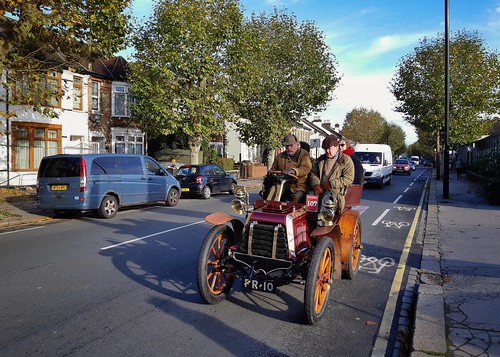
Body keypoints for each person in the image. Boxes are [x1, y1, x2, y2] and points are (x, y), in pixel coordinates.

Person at [310, 135, 355, 213]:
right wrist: (316, 185)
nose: (327, 151)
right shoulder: (321, 160)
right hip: (320, 188)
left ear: (336, 147)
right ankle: (309, 219)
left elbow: (349, 179)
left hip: (336, 191)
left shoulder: (346, 160)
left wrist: (330, 184)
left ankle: (322, 220)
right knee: (309, 195)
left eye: (330, 148)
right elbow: (313, 174)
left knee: (326, 196)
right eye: (325, 149)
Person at [266, 134, 313, 203]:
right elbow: (274, 169)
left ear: (297, 145)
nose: (289, 148)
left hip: (298, 186)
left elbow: (306, 168)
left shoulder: (304, 155)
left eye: (291, 145)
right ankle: (269, 208)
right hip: (283, 184)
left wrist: (294, 171)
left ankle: (292, 212)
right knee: (274, 189)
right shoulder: (279, 157)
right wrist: (270, 172)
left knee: (298, 196)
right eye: (287, 146)